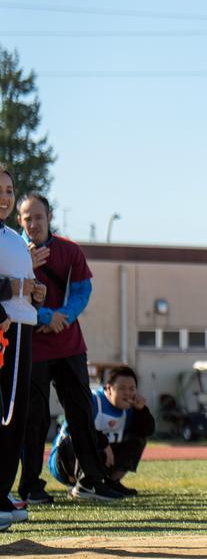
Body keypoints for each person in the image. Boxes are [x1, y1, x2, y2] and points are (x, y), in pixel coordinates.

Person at [15, 193, 123, 503]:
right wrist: (47, 316)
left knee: (81, 412)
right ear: (19, 221)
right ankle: (31, 486)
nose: (33, 223)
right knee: (33, 419)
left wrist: (65, 317)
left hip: (69, 345)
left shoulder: (70, 251)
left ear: (49, 217)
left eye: (39, 217)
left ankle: (91, 479)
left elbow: (83, 289)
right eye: (27, 218)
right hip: (30, 346)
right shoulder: (12, 251)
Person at [0, 166, 46, 530]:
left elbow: (24, 285)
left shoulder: (13, 238)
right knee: (6, 413)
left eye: (9, 190)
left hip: (23, 326)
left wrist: (34, 291)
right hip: (5, 327)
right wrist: (8, 296)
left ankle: (3, 490)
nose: (4, 196)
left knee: (16, 414)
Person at [49, 366, 155, 496]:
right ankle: (81, 484)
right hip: (65, 460)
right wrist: (103, 443)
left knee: (139, 438)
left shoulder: (130, 408)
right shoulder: (92, 400)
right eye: (122, 388)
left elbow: (147, 431)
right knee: (77, 439)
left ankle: (112, 482)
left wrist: (142, 411)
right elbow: (74, 428)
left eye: (132, 389)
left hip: (99, 459)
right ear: (109, 388)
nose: (128, 393)